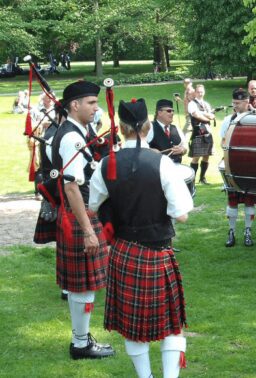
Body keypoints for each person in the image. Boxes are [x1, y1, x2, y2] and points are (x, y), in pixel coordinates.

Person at [89, 98, 193, 378]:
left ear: (121, 128)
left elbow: (93, 206)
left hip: (123, 251)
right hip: (157, 252)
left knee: (132, 324)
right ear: (148, 126)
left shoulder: (106, 164)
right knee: (172, 324)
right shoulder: (162, 163)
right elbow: (181, 213)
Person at [50, 80, 114, 359]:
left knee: (83, 286)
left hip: (79, 216)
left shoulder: (76, 131)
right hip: (80, 217)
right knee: (84, 287)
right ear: (74, 105)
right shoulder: (71, 138)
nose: (96, 108)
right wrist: (88, 230)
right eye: (91, 103)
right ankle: (80, 344)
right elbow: (71, 186)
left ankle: (81, 338)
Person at [219, 89, 256, 247]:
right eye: (234, 103)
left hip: (250, 165)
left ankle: (247, 232)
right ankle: (231, 232)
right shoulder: (227, 120)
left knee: (249, 202)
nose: (235, 106)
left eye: (238, 103)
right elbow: (222, 142)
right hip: (232, 165)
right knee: (232, 202)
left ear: (247, 102)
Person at [188, 84, 215, 184]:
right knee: (196, 157)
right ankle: (192, 180)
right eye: (198, 92)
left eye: (201, 92)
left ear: (204, 92)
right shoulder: (192, 103)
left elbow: (211, 114)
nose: (200, 93)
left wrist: (204, 114)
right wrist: (207, 117)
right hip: (198, 132)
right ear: (195, 92)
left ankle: (202, 178)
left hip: (207, 133)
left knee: (207, 155)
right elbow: (196, 114)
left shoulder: (207, 104)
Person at [147, 99, 187, 164]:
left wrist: (182, 150)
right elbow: (140, 148)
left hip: (175, 169)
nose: (172, 113)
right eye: (169, 111)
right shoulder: (149, 128)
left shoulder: (176, 128)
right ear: (159, 112)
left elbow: (185, 147)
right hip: (156, 170)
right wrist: (150, 151)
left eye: (173, 111)